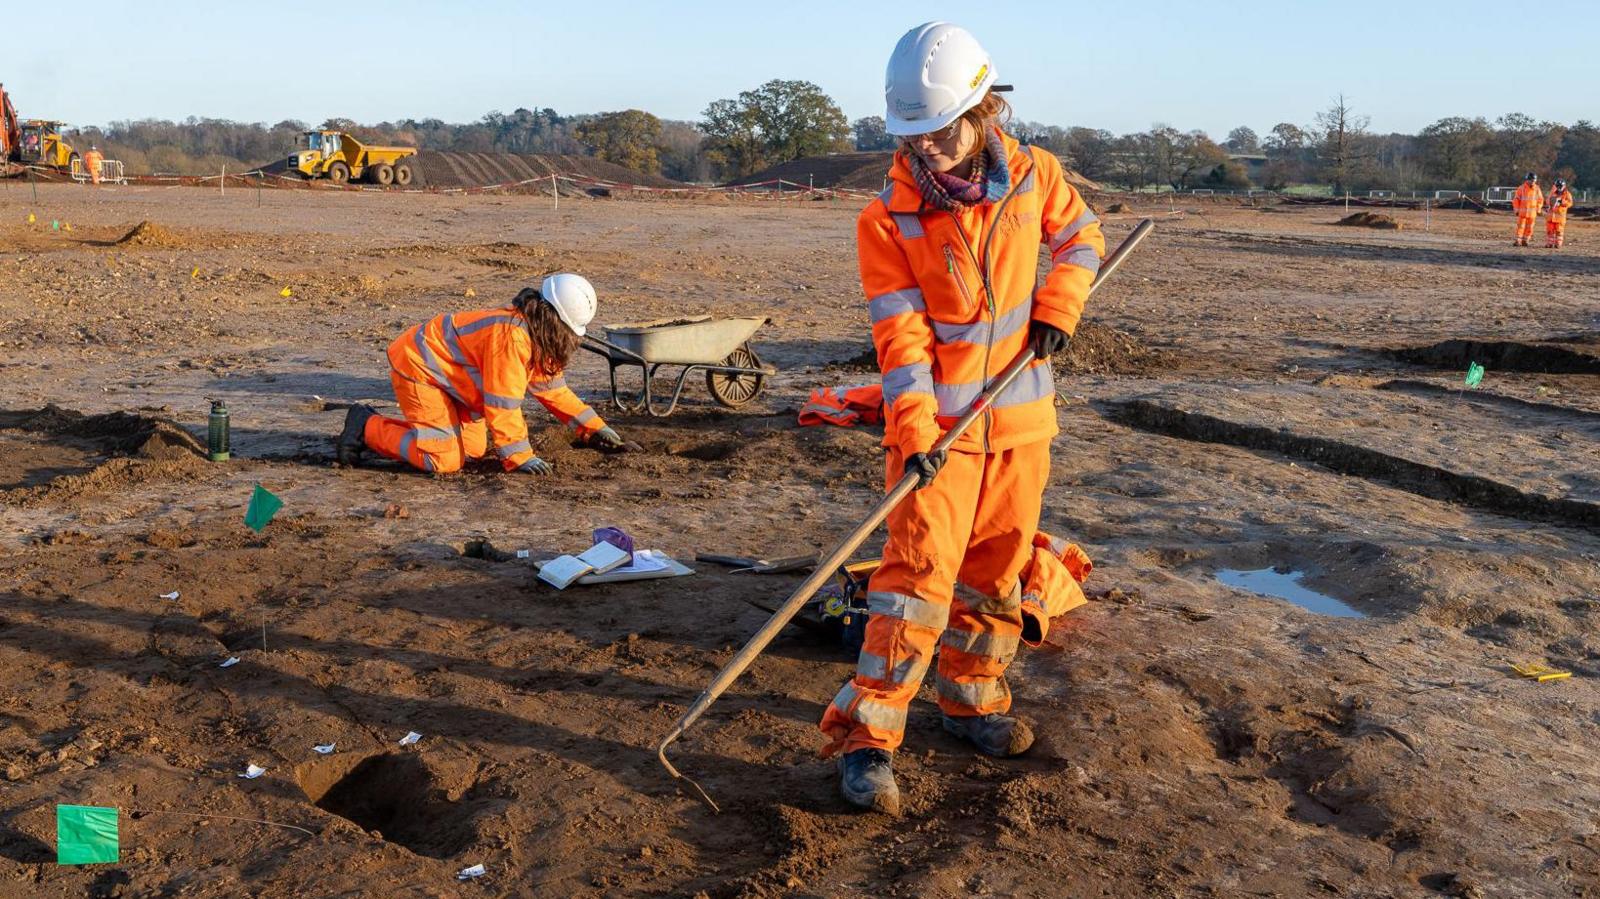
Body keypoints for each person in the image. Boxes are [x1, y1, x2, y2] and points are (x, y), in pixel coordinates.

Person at [817, 21, 1105, 815]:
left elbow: (1084, 239)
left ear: (984, 111)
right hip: (937, 440)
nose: (928, 149)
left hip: (1021, 428)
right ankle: (869, 737)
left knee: (997, 572)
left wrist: (1060, 304)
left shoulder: (1037, 177)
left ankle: (971, 696)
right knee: (912, 584)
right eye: (914, 136)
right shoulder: (888, 218)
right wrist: (914, 436)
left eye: (942, 131)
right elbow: (900, 342)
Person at [335, 273, 625, 474]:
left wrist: (594, 429)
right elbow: (503, 405)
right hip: (421, 369)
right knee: (443, 460)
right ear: (554, 321)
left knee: (472, 450)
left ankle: (413, 432)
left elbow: (553, 390)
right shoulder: (512, 337)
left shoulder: (535, 336)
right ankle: (366, 426)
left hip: (453, 385)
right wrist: (520, 457)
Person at [1512, 172, 1543, 247]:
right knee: (1520, 227)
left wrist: (1538, 210)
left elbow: (1540, 200)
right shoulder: (1521, 188)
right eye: (1532, 180)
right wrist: (1516, 210)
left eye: (1534, 180)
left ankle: (1525, 240)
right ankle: (1518, 241)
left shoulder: (1537, 189)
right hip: (1522, 213)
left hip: (1532, 214)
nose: (1533, 182)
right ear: (1527, 180)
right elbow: (1516, 200)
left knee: (1530, 228)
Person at [1545, 178, 1574, 249]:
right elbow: (1548, 201)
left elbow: (1570, 203)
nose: (1559, 188)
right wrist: (1548, 205)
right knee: (1550, 231)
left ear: (1564, 186)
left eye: (1560, 186)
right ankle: (1549, 244)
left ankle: (1558, 244)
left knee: (1559, 232)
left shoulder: (1567, 194)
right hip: (1551, 217)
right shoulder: (1552, 193)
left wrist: (1562, 202)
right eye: (1558, 186)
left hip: (1560, 217)